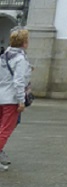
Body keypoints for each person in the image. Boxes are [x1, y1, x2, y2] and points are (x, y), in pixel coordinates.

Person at [0, 28, 32, 170]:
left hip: (1, 96)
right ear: (24, 43)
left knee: (3, 127)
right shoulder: (20, 59)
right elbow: (18, 81)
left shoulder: (4, 55)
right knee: (5, 129)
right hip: (11, 98)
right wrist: (21, 100)